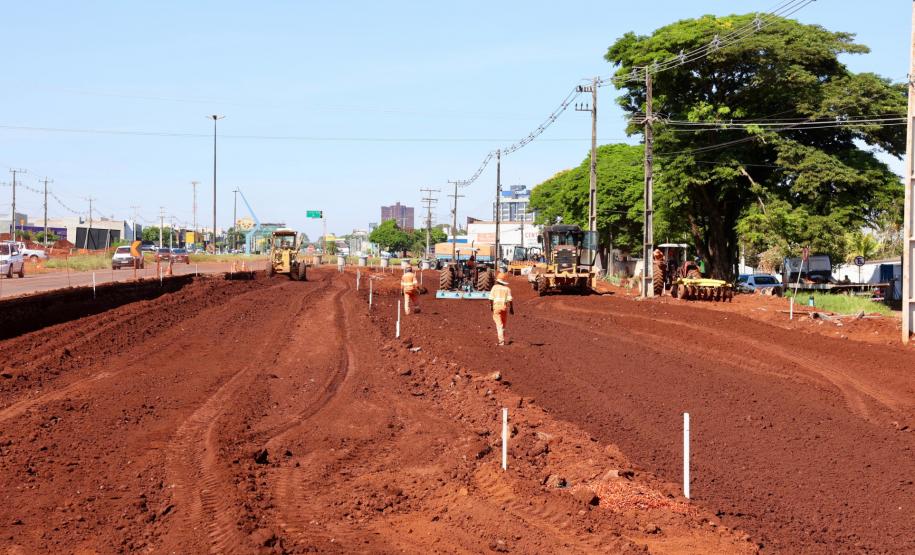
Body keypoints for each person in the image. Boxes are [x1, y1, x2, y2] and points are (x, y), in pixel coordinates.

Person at [488, 272, 514, 346]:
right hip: (504, 308)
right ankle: (502, 339)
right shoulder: (507, 289)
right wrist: (511, 309)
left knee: (499, 325)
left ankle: (501, 342)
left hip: (496, 308)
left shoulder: (494, 287)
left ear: (497, 281)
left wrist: (491, 306)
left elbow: (490, 298)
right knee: (503, 325)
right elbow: (510, 300)